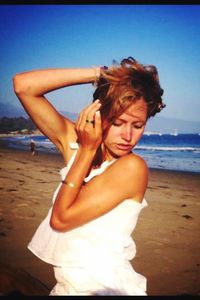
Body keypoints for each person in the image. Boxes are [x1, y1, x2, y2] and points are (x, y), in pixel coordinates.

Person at [13, 57, 165, 295]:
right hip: (68, 287)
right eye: (118, 122)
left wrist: (86, 150)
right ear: (99, 113)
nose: (128, 135)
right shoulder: (76, 141)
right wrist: (101, 75)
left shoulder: (132, 167)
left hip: (105, 287)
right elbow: (23, 85)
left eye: (137, 125)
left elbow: (61, 219)